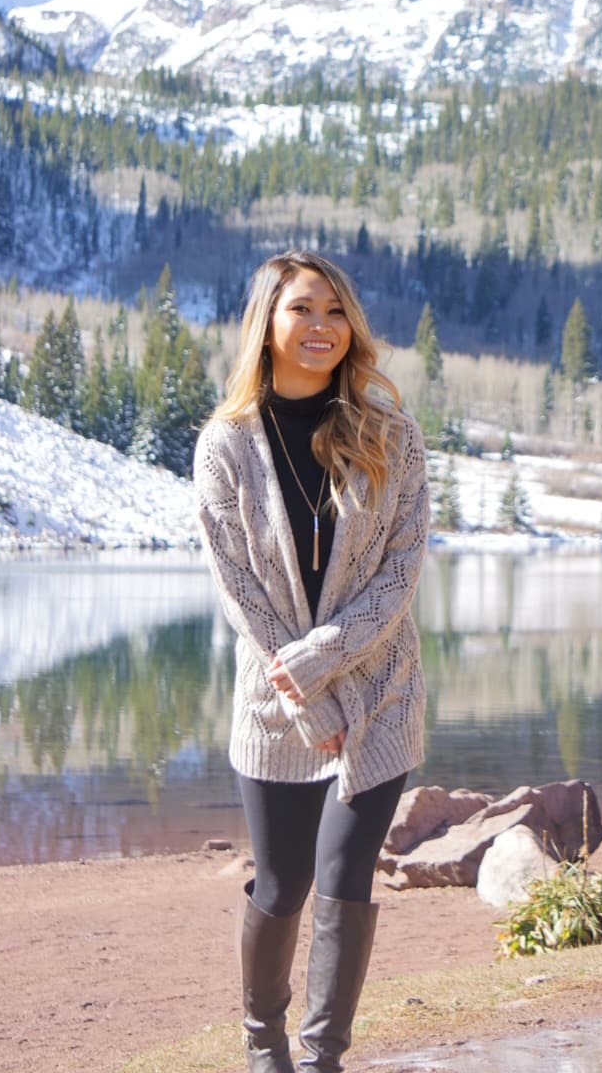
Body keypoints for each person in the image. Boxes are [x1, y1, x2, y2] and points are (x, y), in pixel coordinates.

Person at [194, 249, 429, 1072]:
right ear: (267, 323)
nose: (321, 326)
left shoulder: (392, 436)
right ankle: (265, 1047)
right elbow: (237, 588)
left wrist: (327, 659)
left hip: (381, 690)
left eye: (335, 311)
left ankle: (324, 1056)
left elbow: (400, 573)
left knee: (345, 873)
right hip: (275, 703)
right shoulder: (225, 446)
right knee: (283, 881)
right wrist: (304, 692)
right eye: (302, 308)